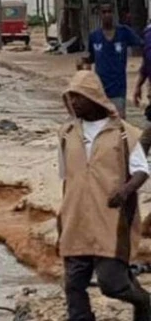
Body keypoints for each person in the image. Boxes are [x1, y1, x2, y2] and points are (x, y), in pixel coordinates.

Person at [58, 70, 151, 321]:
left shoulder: (124, 134)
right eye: (70, 97)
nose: (73, 102)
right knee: (74, 285)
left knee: (112, 284)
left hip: (111, 220)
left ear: (93, 97)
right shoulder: (67, 133)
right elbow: (66, 178)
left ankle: (143, 301)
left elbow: (142, 170)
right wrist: (63, 215)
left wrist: (125, 190)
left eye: (78, 96)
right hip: (75, 220)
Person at [81, 0, 143, 119]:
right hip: (100, 90)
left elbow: (142, 44)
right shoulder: (94, 36)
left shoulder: (124, 32)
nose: (107, 15)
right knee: (101, 123)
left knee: (119, 124)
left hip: (118, 89)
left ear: (113, 13)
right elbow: (91, 58)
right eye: (104, 12)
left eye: (109, 11)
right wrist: (83, 63)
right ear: (99, 14)